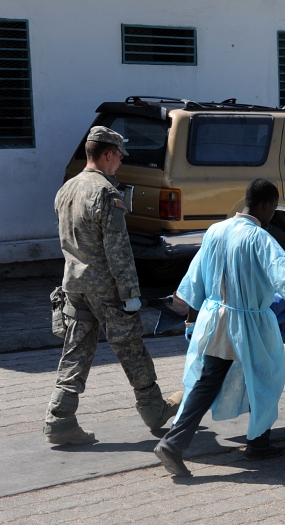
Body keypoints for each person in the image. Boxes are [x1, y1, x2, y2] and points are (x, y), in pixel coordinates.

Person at [154, 179, 285, 477]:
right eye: (272, 210)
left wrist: (192, 318)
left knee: (208, 380)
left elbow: (195, 278)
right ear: (266, 205)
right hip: (248, 322)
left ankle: (189, 442)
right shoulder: (259, 238)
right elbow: (284, 274)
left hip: (214, 319)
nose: (271, 217)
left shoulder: (216, 230)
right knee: (264, 380)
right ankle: (244, 444)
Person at [44, 126, 182, 445]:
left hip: (74, 285)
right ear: (107, 154)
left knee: (76, 351)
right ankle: (154, 410)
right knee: (131, 347)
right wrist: (131, 294)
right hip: (106, 289)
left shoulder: (67, 189)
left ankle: (60, 418)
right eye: (119, 156)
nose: (120, 162)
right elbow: (117, 248)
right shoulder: (106, 193)